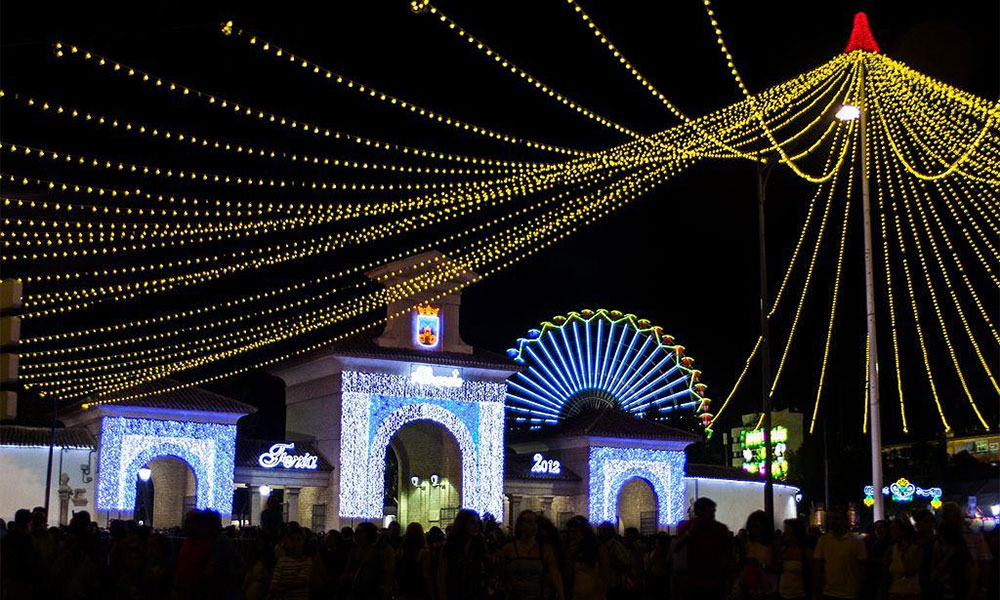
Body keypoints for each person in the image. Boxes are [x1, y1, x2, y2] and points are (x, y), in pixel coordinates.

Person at [671, 497, 733, 600]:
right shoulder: (689, 526)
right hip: (695, 579)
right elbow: (676, 548)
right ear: (699, 512)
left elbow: (728, 553)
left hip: (714, 579)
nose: (712, 515)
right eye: (709, 512)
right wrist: (689, 532)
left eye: (713, 512)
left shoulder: (720, 529)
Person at [499, 510, 565, 600]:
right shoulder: (509, 549)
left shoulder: (545, 550)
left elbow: (555, 574)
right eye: (529, 522)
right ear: (520, 526)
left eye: (535, 522)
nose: (533, 525)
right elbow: (500, 572)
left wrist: (561, 594)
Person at [812, 507, 866, 600]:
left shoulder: (856, 540)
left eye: (837, 518)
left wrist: (860, 589)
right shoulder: (823, 540)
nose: (833, 521)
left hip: (850, 593)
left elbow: (863, 567)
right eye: (830, 519)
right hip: (828, 591)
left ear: (844, 520)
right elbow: (818, 566)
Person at [438, 509, 489, 600]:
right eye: (472, 523)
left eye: (477, 523)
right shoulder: (451, 547)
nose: (476, 527)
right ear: (463, 524)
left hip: (475, 593)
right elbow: (443, 574)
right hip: (455, 592)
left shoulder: (479, 546)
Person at [268, 522, 324, 600]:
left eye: (298, 540)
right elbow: (273, 586)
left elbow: (302, 582)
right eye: (292, 539)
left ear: (303, 542)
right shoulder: (282, 561)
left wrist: (281, 584)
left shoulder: (307, 561)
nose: (295, 543)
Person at [343, 521, 393, 600]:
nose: (356, 534)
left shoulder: (378, 551)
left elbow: (385, 570)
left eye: (359, 531)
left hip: (373, 589)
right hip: (357, 588)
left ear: (367, 534)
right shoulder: (354, 550)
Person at [563, 515, 609, 600]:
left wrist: (602, 592)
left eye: (575, 532)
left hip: (594, 594)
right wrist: (569, 555)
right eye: (569, 532)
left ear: (584, 532)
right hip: (577, 593)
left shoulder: (598, 548)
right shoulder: (571, 548)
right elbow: (568, 574)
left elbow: (604, 573)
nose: (572, 535)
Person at [735, 510, 778, 599]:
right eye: (751, 527)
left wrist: (760, 565)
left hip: (767, 588)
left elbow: (778, 568)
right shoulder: (748, 544)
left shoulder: (772, 546)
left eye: (757, 527)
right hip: (750, 588)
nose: (753, 530)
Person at [885, 517, 921, 600]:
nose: (891, 532)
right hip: (894, 591)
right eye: (891, 528)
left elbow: (911, 571)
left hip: (911, 592)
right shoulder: (893, 548)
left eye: (894, 528)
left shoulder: (915, 549)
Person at [777, 519, 810, 600]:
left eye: (788, 530)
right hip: (782, 593)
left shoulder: (805, 552)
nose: (785, 533)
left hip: (798, 594)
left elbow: (810, 574)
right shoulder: (783, 549)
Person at [396, 522, 428, 600]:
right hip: (418, 584)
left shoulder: (401, 549)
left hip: (404, 583)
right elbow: (425, 571)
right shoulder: (423, 551)